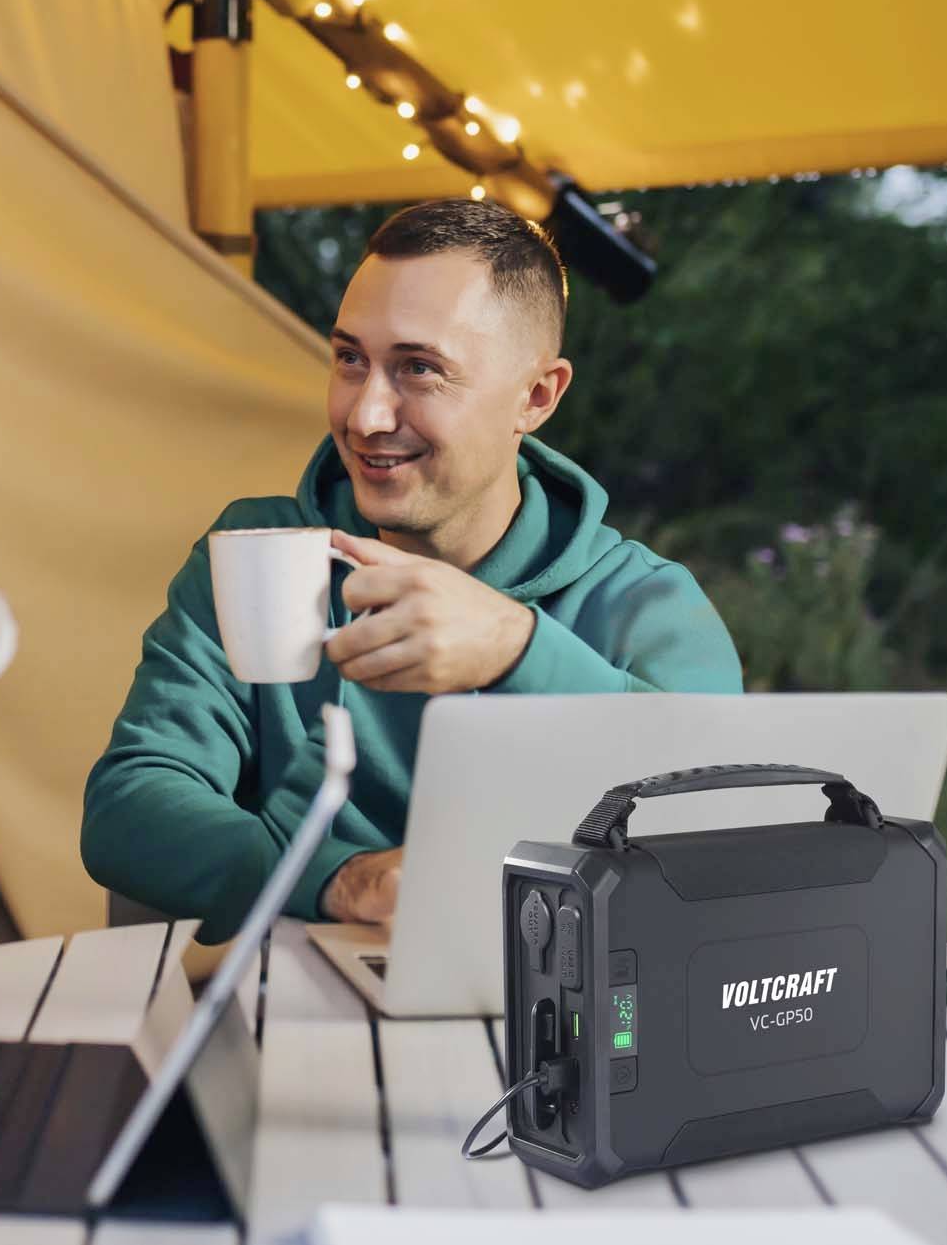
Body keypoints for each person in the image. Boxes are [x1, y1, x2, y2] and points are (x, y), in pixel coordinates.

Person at [82, 199, 742, 940]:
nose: (364, 416)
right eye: (350, 359)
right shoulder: (254, 552)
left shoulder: (645, 603)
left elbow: (718, 825)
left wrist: (514, 648)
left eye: (418, 369)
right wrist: (344, 878)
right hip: (284, 1025)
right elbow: (129, 806)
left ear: (536, 396)